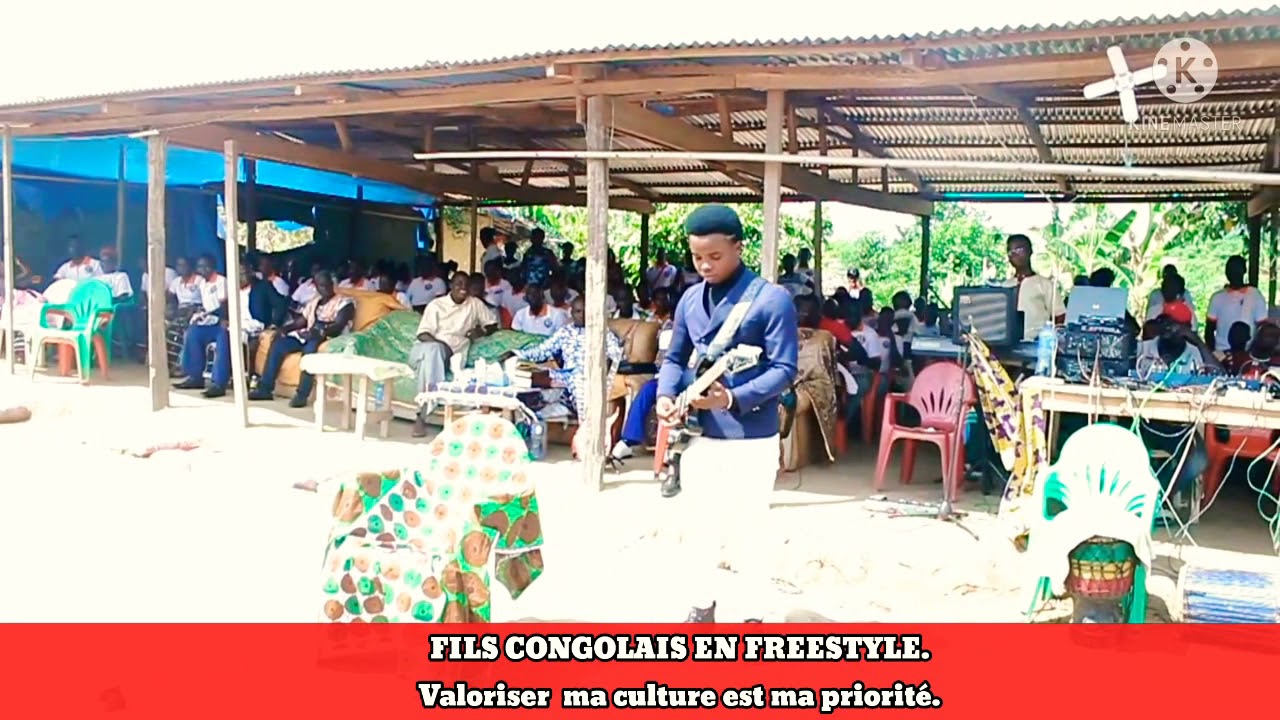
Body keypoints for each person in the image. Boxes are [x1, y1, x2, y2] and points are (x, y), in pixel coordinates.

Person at [655, 204, 798, 624]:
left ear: (738, 247)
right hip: (698, 433)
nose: (705, 266)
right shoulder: (689, 299)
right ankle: (701, 608)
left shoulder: (772, 300)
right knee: (699, 526)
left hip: (750, 436)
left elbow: (784, 370)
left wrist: (732, 399)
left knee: (749, 528)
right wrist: (666, 394)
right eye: (697, 257)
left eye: (715, 256)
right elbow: (675, 357)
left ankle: (753, 615)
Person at [175, 260, 287, 398]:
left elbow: (281, 303)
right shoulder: (234, 288)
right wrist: (205, 315)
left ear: (250, 273)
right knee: (195, 332)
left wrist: (275, 323)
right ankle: (195, 377)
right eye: (238, 274)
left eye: (244, 273)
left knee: (224, 333)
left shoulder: (262, 286)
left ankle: (218, 384)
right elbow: (224, 308)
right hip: (232, 324)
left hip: (251, 325)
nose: (241, 276)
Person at [409, 272, 499, 436]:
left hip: (452, 357)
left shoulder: (474, 304)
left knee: (426, 366)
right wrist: (442, 347)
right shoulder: (437, 305)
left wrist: (481, 331)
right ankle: (424, 413)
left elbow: (493, 324)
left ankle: (421, 414)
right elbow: (423, 334)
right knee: (432, 352)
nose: (463, 288)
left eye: (466, 284)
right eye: (458, 284)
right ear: (450, 285)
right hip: (425, 350)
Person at [249, 270, 354, 407]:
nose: (325, 288)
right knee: (278, 345)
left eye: (327, 285)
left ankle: (301, 395)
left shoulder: (344, 302)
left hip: (326, 336)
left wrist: (320, 331)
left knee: (309, 352)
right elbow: (301, 321)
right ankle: (265, 388)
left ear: (332, 284)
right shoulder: (315, 302)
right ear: (316, 287)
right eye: (321, 286)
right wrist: (284, 329)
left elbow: (338, 325)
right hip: (308, 334)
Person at [512, 295, 623, 421]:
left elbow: (615, 356)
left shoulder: (602, 332)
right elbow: (542, 351)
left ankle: (583, 419)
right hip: (564, 377)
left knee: (577, 380)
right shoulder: (565, 332)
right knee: (525, 388)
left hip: (587, 377)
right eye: (578, 311)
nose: (582, 315)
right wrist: (517, 353)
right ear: (572, 313)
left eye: (585, 311)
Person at [1005, 233, 1065, 342]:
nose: (1014, 255)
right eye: (1010, 251)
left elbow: (1059, 316)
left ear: (1030, 251)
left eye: (1018, 250)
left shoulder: (1045, 285)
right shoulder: (1005, 286)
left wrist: (1050, 338)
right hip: (1009, 343)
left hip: (1037, 344)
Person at [1205, 255, 1268, 354]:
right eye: (1230, 269)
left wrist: (1253, 352)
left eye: (1237, 269)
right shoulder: (1217, 298)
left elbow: (1262, 328)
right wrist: (1213, 354)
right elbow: (1209, 330)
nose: (1234, 272)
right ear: (1226, 272)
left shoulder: (1255, 295)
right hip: (1222, 352)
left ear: (1244, 270)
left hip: (1247, 352)